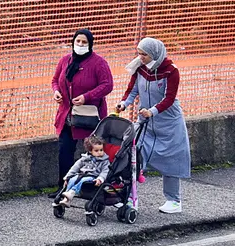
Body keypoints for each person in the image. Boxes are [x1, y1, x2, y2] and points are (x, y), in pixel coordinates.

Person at [116, 37, 191, 214]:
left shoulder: (171, 71)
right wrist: (124, 103)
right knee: (135, 154)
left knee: (172, 159)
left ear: (155, 55)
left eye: (145, 55)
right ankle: (128, 195)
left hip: (168, 122)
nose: (141, 58)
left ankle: (174, 200)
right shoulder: (139, 67)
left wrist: (153, 111)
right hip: (146, 121)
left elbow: (169, 98)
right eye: (139, 53)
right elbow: (132, 89)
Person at [51, 28, 114, 180]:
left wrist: (87, 96)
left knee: (94, 151)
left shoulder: (99, 63)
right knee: (64, 150)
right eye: (77, 41)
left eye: (84, 42)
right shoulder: (65, 60)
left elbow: (107, 85)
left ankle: (94, 184)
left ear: (90, 44)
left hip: (89, 115)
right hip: (67, 114)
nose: (80, 44)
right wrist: (56, 91)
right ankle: (64, 185)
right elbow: (55, 80)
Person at [58, 134, 110, 205]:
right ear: (90, 151)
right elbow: (75, 167)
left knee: (83, 181)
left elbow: (105, 171)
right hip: (82, 174)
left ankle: (72, 192)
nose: (100, 152)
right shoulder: (85, 158)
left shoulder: (105, 161)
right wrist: (68, 177)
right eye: (97, 150)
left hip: (93, 177)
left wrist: (100, 179)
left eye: (101, 150)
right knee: (72, 179)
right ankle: (66, 197)